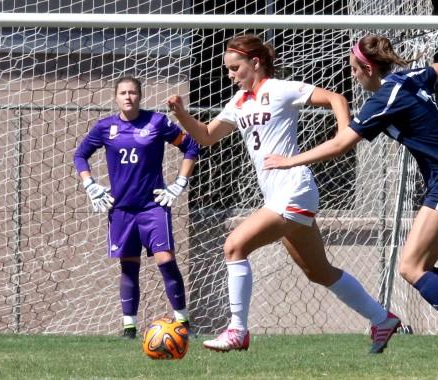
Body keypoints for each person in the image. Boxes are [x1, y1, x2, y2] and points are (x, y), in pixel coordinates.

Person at [264, 34, 438, 354]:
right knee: (419, 267)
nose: (352, 75)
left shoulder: (385, 98)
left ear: (369, 68)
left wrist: (289, 161)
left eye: (355, 69)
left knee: (410, 268)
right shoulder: (408, 78)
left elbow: (342, 144)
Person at [166, 34, 401, 354]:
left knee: (234, 245)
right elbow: (206, 137)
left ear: (255, 63)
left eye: (235, 68)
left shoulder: (280, 89)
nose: (230, 75)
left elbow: (337, 99)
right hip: (278, 195)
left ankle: (237, 330)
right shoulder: (238, 103)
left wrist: (345, 134)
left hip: (295, 188)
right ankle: (382, 319)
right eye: (228, 69)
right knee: (318, 272)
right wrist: (181, 114)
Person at [73, 77, 200, 338]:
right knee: (128, 266)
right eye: (123, 93)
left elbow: (190, 146)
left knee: (166, 260)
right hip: (121, 209)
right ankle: (129, 328)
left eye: (132, 92)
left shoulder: (156, 122)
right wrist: (90, 185)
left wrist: (179, 183)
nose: (128, 97)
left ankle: (184, 323)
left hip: (153, 207)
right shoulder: (105, 127)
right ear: (116, 97)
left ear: (140, 96)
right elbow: (80, 155)